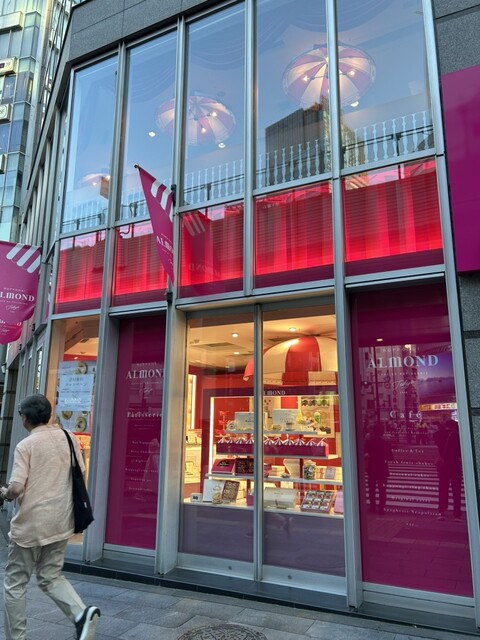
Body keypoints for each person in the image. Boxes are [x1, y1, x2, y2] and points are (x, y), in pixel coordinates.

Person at [0, 394, 101, 640]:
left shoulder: (26, 446)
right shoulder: (69, 437)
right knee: (50, 576)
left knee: (15, 583)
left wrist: (5, 493)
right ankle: (81, 614)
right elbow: (80, 472)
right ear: (49, 415)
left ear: (25, 418)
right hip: (61, 520)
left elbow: (16, 488)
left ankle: (16, 637)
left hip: (32, 524)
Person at [433, 418, 462, 521]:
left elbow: (437, 442)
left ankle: (441, 512)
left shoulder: (437, 434)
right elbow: (460, 452)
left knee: (443, 488)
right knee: (456, 490)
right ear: (454, 426)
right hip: (454, 464)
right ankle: (457, 514)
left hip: (443, 465)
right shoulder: (457, 435)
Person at [364, 422, 393, 515]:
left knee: (371, 489)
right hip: (383, 469)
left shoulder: (369, 443)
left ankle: (372, 506)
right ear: (382, 432)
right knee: (382, 489)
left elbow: (365, 454)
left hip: (372, 468)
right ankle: (381, 508)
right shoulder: (386, 443)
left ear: (374, 432)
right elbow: (390, 457)